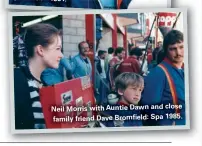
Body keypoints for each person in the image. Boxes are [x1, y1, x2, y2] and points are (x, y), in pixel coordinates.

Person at [14, 23, 63, 129]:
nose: (61, 55)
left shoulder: (43, 84)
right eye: (58, 48)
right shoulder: (15, 81)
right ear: (40, 50)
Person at [141, 30, 185, 126]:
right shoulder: (158, 72)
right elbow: (149, 107)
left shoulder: (184, 68)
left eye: (181, 47)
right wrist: (168, 121)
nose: (178, 53)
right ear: (166, 50)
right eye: (173, 49)